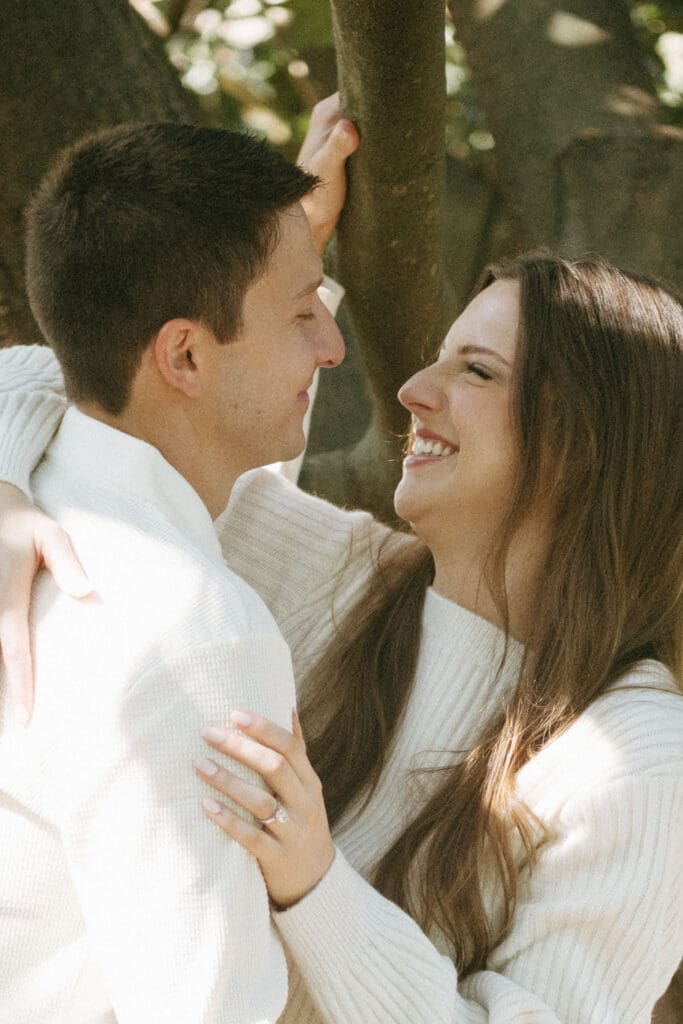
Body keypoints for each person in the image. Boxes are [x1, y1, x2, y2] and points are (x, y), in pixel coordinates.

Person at [0, 133, 681, 1023]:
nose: (409, 390)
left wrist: (317, 890)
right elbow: (107, 368)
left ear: (587, 449)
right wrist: (9, 487)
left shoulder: (635, 756)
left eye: (474, 370)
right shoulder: (349, 575)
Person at [0, 102, 358, 1024]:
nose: (332, 343)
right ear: (185, 354)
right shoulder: (196, 633)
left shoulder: (34, 486)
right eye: (301, 311)